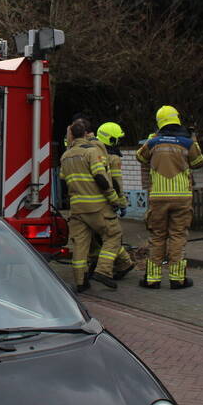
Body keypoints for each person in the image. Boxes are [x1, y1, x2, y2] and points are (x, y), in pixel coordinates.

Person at [136, 106, 203, 289]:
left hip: (158, 197)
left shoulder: (153, 142)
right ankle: (177, 279)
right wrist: (193, 140)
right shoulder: (187, 142)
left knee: (157, 236)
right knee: (178, 236)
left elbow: (140, 157)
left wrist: (153, 139)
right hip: (182, 196)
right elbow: (199, 162)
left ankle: (152, 279)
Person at [60, 120, 123, 292]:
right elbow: (100, 177)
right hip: (97, 207)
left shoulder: (65, 156)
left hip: (76, 208)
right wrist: (114, 199)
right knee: (113, 235)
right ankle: (103, 270)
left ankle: (81, 282)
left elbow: (63, 178)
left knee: (80, 245)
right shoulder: (92, 151)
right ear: (86, 134)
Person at [94, 122, 136, 280]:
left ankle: (122, 263)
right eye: (117, 139)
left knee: (104, 236)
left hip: (97, 201)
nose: (119, 143)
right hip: (109, 201)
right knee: (111, 235)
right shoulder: (113, 157)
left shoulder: (94, 152)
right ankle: (123, 263)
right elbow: (117, 182)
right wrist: (122, 202)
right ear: (110, 139)